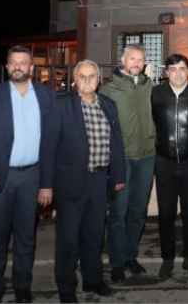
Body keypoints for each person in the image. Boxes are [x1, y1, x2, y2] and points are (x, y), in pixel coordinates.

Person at [0, 45, 57, 303]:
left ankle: (22, 286)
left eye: (23, 62)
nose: (18, 66)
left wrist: (47, 183)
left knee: (26, 237)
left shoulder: (46, 95)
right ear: (7, 66)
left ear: (31, 67)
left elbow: (52, 142)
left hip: (32, 177)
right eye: (13, 62)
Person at [38, 59, 126, 303]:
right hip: (70, 182)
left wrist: (118, 175)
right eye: (83, 76)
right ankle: (66, 288)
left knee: (94, 235)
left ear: (99, 81)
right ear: (75, 79)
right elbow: (48, 147)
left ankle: (93, 280)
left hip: (100, 180)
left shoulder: (108, 105)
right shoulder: (61, 104)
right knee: (68, 238)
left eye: (93, 77)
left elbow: (116, 142)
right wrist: (46, 184)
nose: (88, 80)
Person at [99, 43, 156, 281]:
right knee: (118, 212)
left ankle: (130, 254)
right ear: (123, 60)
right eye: (132, 58)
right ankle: (117, 261)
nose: (136, 63)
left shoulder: (149, 85)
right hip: (121, 159)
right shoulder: (109, 88)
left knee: (137, 211)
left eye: (140, 60)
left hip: (146, 157)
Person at [151, 53, 188, 279]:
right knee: (166, 214)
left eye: (182, 68)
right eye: (173, 69)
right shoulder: (156, 93)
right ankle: (167, 259)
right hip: (164, 164)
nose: (178, 73)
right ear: (166, 72)